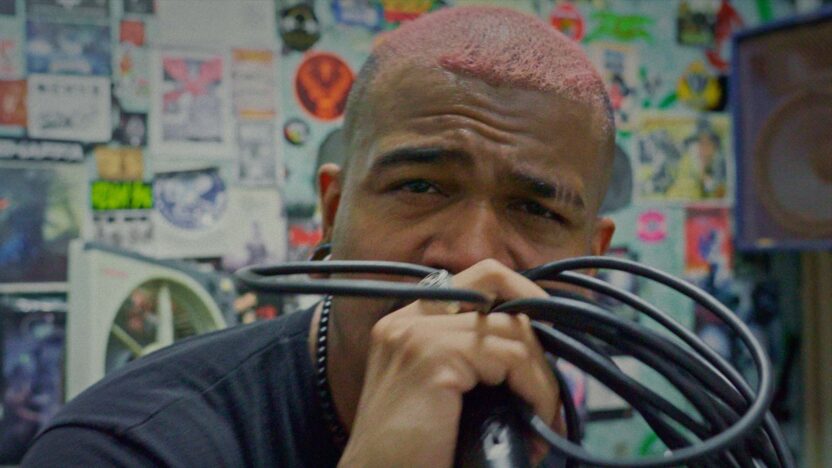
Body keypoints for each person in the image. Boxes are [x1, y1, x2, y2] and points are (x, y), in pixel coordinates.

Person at [23, 6, 615, 467]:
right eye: (420, 186)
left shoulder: (551, 433)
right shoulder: (122, 447)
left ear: (591, 266)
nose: (473, 256)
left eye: (536, 210)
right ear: (332, 215)